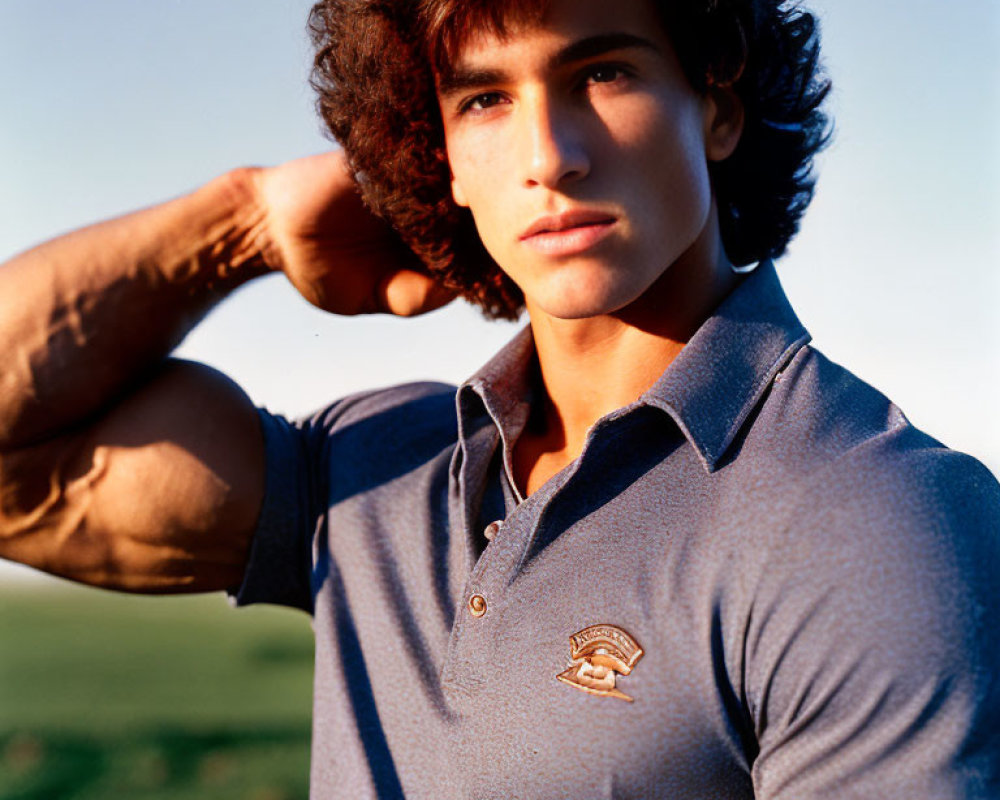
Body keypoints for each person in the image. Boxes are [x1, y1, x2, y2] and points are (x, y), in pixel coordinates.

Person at [0, 0, 997, 797]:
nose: (548, 156)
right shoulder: (372, 469)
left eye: (602, 71)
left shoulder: (875, 523)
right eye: (481, 99)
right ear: (436, 150)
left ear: (719, 104)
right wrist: (241, 225)